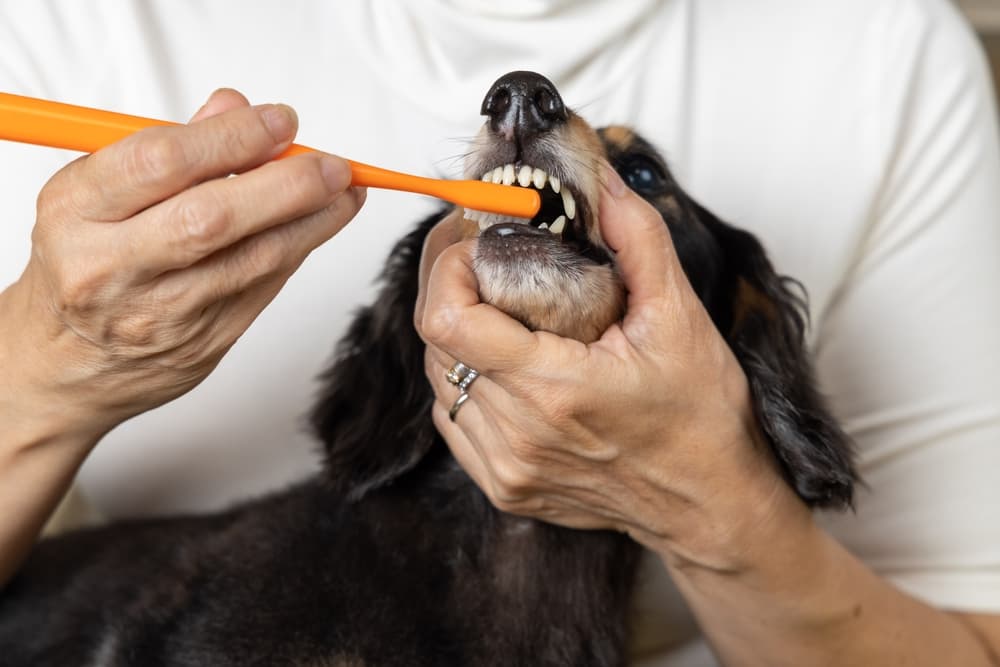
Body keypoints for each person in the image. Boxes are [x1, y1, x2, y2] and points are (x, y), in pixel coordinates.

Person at [1, 1, 998, 665]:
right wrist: (46, 363)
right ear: (422, 313)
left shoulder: (883, 48)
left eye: (638, 178)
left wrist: (716, 507)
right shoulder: (60, 19)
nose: (521, 110)